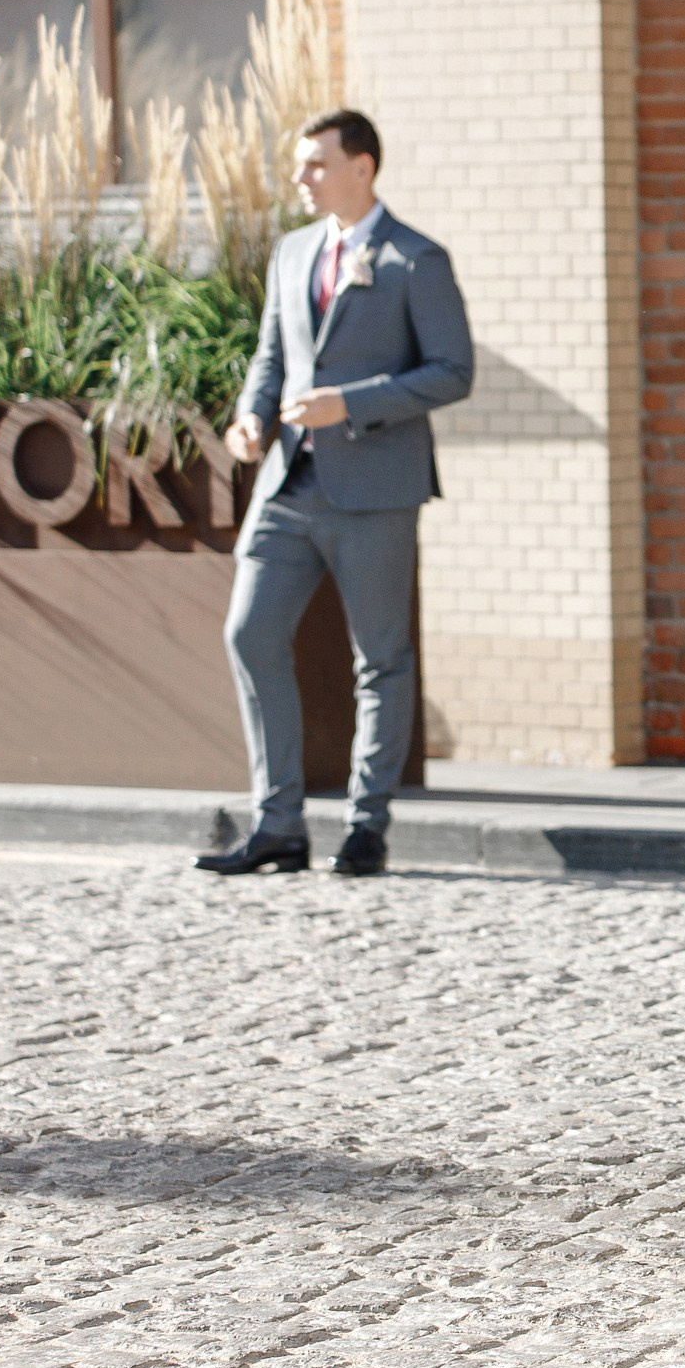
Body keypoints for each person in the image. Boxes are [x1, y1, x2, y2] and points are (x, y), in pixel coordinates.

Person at [194, 110, 474, 879]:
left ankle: (366, 826)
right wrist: (249, 419)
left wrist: (349, 402)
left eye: (316, 163)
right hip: (288, 486)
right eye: (300, 164)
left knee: (379, 660)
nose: (301, 178)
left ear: (363, 167)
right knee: (249, 635)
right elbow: (270, 354)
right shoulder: (291, 253)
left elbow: (454, 371)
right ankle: (278, 824)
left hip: (377, 493)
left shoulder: (416, 260)